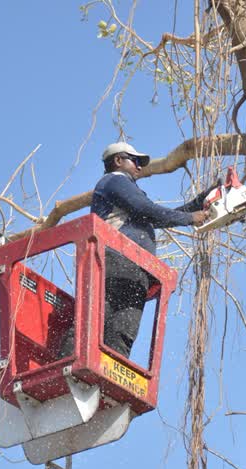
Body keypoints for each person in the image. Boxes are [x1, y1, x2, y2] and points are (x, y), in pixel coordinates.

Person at [91, 141, 210, 358]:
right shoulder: (114, 181)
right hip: (115, 262)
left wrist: (198, 204)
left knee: (123, 330)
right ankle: (74, 361)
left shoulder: (127, 195)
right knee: (98, 320)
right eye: (135, 161)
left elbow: (154, 218)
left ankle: (111, 373)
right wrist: (191, 218)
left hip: (134, 269)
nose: (139, 167)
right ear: (118, 160)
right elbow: (147, 210)